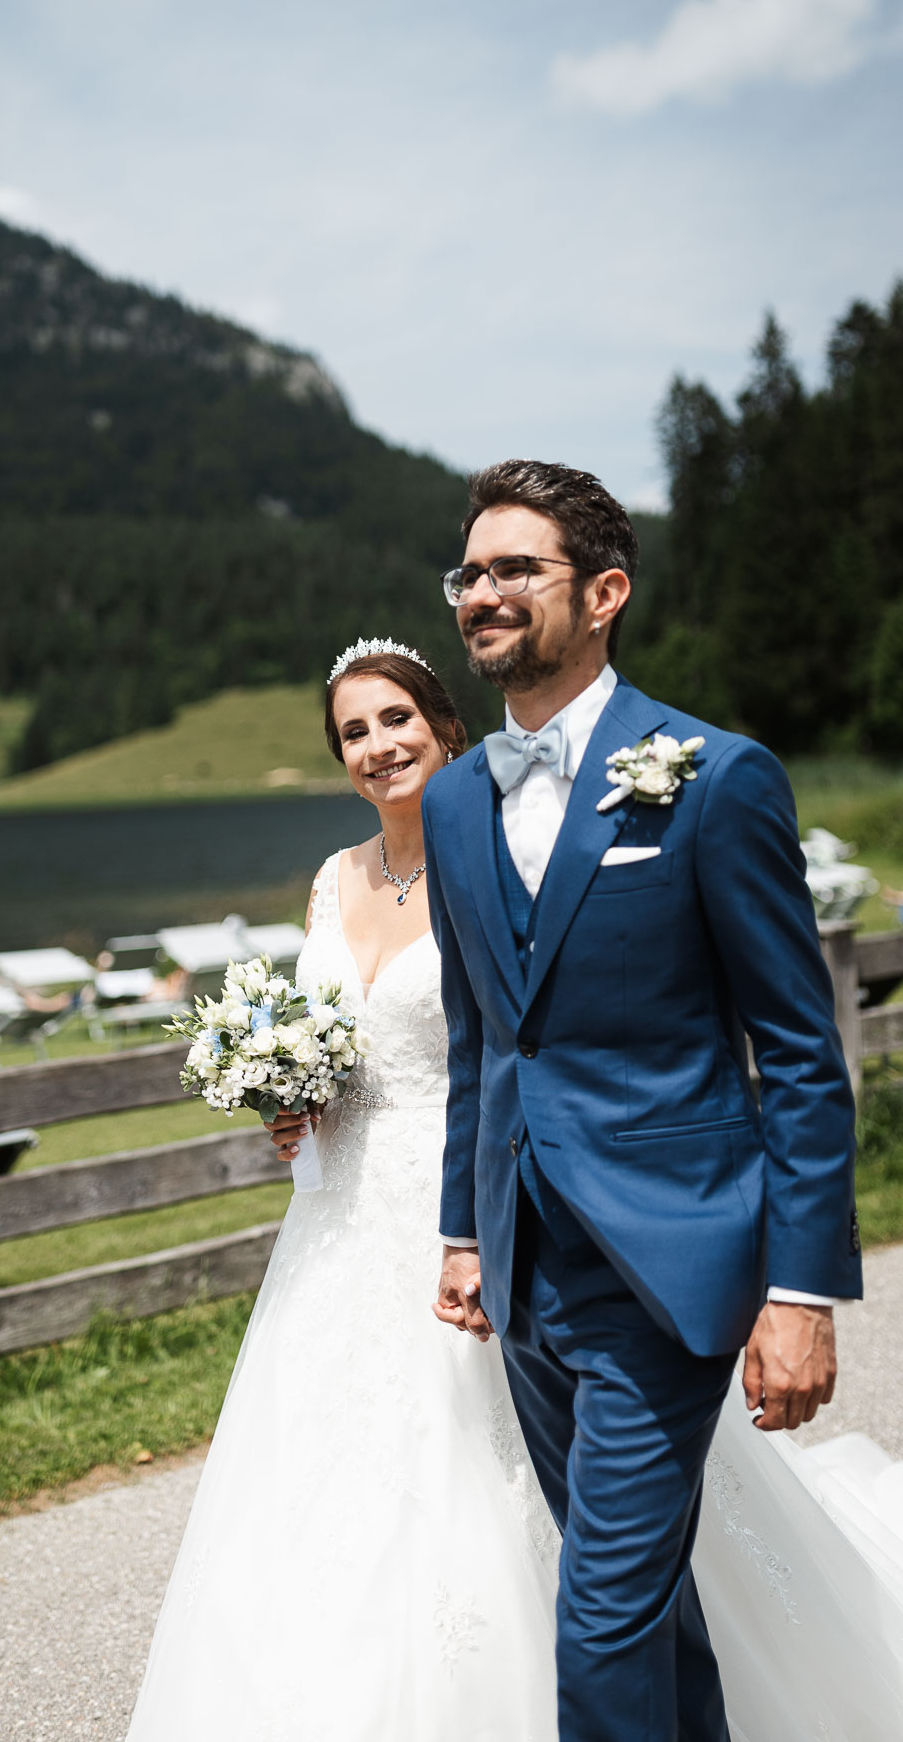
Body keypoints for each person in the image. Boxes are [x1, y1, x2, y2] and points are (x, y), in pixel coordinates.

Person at [422, 459, 863, 1741]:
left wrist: (800, 1293)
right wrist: (465, 1230)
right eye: (470, 573)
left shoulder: (715, 777)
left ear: (605, 593)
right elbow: (479, 1041)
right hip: (526, 1267)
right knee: (641, 1607)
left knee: (600, 1619)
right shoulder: (453, 799)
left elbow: (799, 1051)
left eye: (518, 568)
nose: (483, 594)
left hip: (669, 1259)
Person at [125, 639, 561, 1741]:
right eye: (353, 733)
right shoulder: (332, 877)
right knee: (319, 1464)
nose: (377, 746)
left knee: (473, 1453)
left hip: (463, 1196)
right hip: (334, 1215)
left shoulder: (503, 854)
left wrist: (485, 1224)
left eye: (395, 719)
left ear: (446, 726)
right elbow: (333, 1037)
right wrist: (293, 1096)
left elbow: (518, 1049)